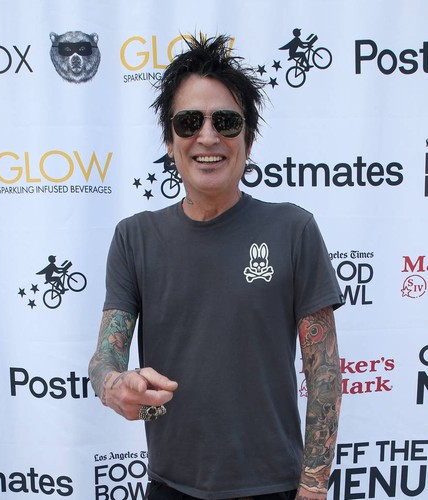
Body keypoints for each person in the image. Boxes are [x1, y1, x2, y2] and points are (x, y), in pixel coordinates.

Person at [89, 34, 344, 500]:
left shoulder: (293, 230)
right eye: (189, 122)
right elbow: (106, 356)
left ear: (248, 138)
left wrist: (313, 488)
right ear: (170, 142)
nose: (207, 137)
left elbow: (324, 375)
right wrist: (113, 385)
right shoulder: (135, 237)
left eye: (225, 121)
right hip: (171, 486)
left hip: (276, 487)